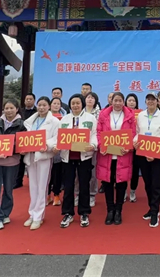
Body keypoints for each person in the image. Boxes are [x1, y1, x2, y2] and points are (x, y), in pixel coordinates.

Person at [0, 99, 26, 230]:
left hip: (12, 162)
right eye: (6, 108)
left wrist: (9, 151)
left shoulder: (22, 125)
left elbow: (23, 144)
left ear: (17, 109)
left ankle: (5, 213)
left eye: (11, 108)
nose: (8, 111)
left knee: (8, 190)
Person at [96, 92, 136, 225]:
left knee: (121, 184)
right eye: (115, 100)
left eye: (120, 100)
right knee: (107, 183)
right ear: (111, 101)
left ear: (123, 102)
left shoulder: (130, 116)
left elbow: (133, 134)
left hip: (123, 155)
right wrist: (101, 145)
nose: (118, 103)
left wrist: (129, 147)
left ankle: (118, 210)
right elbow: (98, 132)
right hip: (106, 155)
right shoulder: (103, 115)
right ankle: (110, 210)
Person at [58, 94, 98, 228]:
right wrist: (56, 145)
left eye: (78, 103)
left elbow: (94, 134)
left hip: (84, 156)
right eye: (73, 103)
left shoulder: (90, 118)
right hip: (67, 157)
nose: (75, 105)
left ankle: (84, 212)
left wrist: (93, 145)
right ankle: (68, 213)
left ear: (82, 104)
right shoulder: (64, 119)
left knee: (84, 185)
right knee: (68, 186)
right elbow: (58, 136)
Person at [22, 96, 60, 230]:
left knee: (42, 186)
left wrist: (47, 145)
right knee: (33, 186)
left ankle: (39, 216)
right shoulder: (30, 121)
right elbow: (24, 137)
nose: (42, 107)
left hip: (43, 156)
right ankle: (32, 214)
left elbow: (57, 138)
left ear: (49, 106)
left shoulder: (54, 121)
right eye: (40, 105)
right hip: (31, 155)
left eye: (44, 105)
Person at [135, 92, 160, 228]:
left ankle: (155, 212)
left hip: (158, 156)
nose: (150, 102)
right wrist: (135, 142)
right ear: (145, 102)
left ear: (157, 101)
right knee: (147, 183)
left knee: (156, 184)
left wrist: (155, 154)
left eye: (153, 99)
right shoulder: (141, 116)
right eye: (148, 99)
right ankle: (151, 207)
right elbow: (137, 133)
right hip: (143, 154)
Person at [76, 92, 100, 208]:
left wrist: (94, 144)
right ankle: (77, 194)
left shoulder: (100, 114)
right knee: (77, 173)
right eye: (88, 97)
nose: (90, 99)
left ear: (96, 100)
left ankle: (92, 194)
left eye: (92, 98)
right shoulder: (78, 112)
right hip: (78, 147)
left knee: (92, 172)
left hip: (92, 147)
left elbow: (98, 131)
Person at [15, 93, 37, 188]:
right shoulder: (20, 112)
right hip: (22, 138)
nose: (28, 100)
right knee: (20, 161)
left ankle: (34, 182)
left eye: (30, 99)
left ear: (34, 101)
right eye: (27, 99)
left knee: (33, 161)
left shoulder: (37, 111)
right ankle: (18, 181)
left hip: (33, 138)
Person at [47, 97, 65, 206]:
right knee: (47, 175)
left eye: (58, 103)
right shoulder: (45, 117)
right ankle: (47, 196)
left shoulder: (65, 118)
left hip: (59, 151)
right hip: (47, 150)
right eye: (54, 103)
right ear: (50, 105)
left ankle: (57, 196)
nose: (56, 105)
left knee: (57, 174)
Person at [124, 93, 140, 203]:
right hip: (125, 145)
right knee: (124, 169)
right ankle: (124, 191)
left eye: (133, 101)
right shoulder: (122, 114)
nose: (131, 102)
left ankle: (133, 191)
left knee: (135, 170)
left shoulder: (141, 115)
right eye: (129, 100)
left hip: (136, 146)